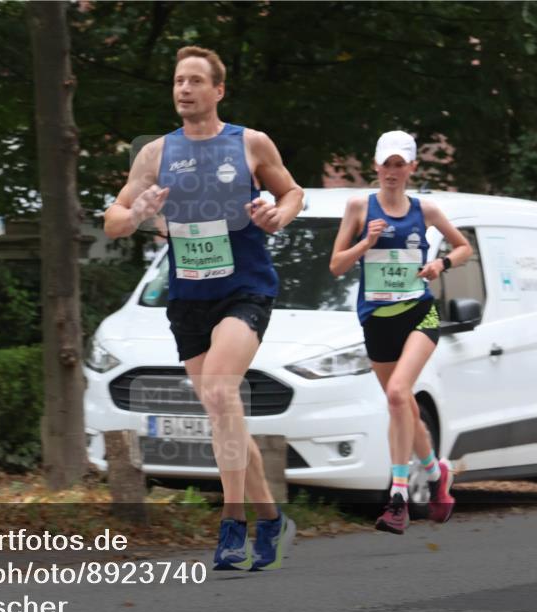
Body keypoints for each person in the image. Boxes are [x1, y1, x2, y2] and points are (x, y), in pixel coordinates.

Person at [104, 46, 304, 570]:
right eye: (178, 81)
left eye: (195, 80)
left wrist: (277, 214)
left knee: (218, 390)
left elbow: (293, 192)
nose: (184, 89)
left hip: (246, 288)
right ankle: (272, 520)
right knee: (223, 410)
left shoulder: (250, 143)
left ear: (218, 90)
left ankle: (233, 523)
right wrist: (136, 212)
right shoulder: (156, 154)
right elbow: (114, 219)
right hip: (189, 296)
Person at [329, 130, 472, 534]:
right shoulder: (359, 207)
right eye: (386, 164)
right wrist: (366, 243)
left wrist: (440, 264)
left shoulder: (425, 210)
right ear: (375, 166)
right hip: (377, 320)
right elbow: (336, 265)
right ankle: (437, 474)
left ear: (412, 168)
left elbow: (463, 247)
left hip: (419, 315)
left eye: (399, 165)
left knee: (396, 394)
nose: (392, 172)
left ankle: (398, 498)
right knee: (403, 405)